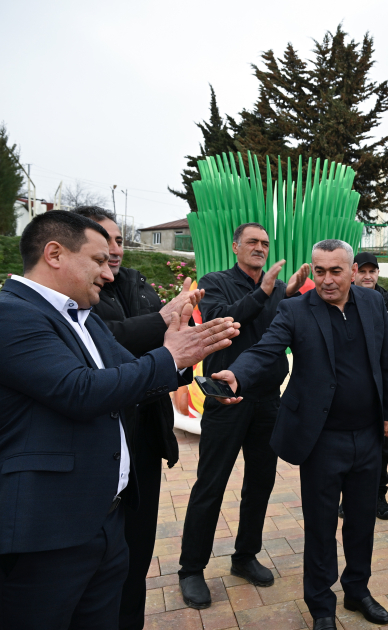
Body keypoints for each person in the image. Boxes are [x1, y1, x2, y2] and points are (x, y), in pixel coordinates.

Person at [0, 211, 238, 629]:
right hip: (49, 531)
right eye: (96, 260)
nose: (108, 274)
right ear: (54, 253)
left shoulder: (81, 317)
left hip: (107, 520)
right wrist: (169, 356)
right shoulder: (12, 314)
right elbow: (80, 391)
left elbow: (129, 376)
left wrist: (184, 365)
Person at [212, 239, 388, 629]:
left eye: (335, 271)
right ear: (312, 271)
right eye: (319, 271)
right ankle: (320, 606)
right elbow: (266, 351)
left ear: (352, 271)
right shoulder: (295, 309)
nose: (327, 280)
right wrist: (238, 374)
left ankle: (357, 590)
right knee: (320, 525)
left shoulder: (372, 304)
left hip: (368, 435)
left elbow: (387, 360)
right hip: (321, 438)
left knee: (362, 520)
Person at [74, 205, 202, 630]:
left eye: (119, 240)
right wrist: (164, 324)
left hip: (145, 439)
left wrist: (184, 361)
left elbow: (164, 346)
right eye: (102, 243)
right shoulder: (77, 300)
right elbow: (114, 346)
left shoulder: (136, 284)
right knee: (95, 565)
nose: (113, 252)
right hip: (104, 441)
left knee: (137, 553)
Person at [177, 222, 311, 609]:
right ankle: (191, 569)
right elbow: (226, 322)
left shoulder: (275, 287)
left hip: (267, 399)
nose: (259, 248)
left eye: (265, 243)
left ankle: (245, 556)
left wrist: (284, 293)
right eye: (252, 242)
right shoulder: (216, 282)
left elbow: (276, 330)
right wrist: (267, 291)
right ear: (235, 245)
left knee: (261, 483)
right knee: (211, 484)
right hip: (225, 398)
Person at [344, 251, 388, 521]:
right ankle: (348, 498)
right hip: (350, 388)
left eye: (373, 271)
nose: (368, 276)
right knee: (347, 446)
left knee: (381, 446)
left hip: (382, 388)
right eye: (363, 271)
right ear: (353, 272)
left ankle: (378, 496)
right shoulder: (341, 299)